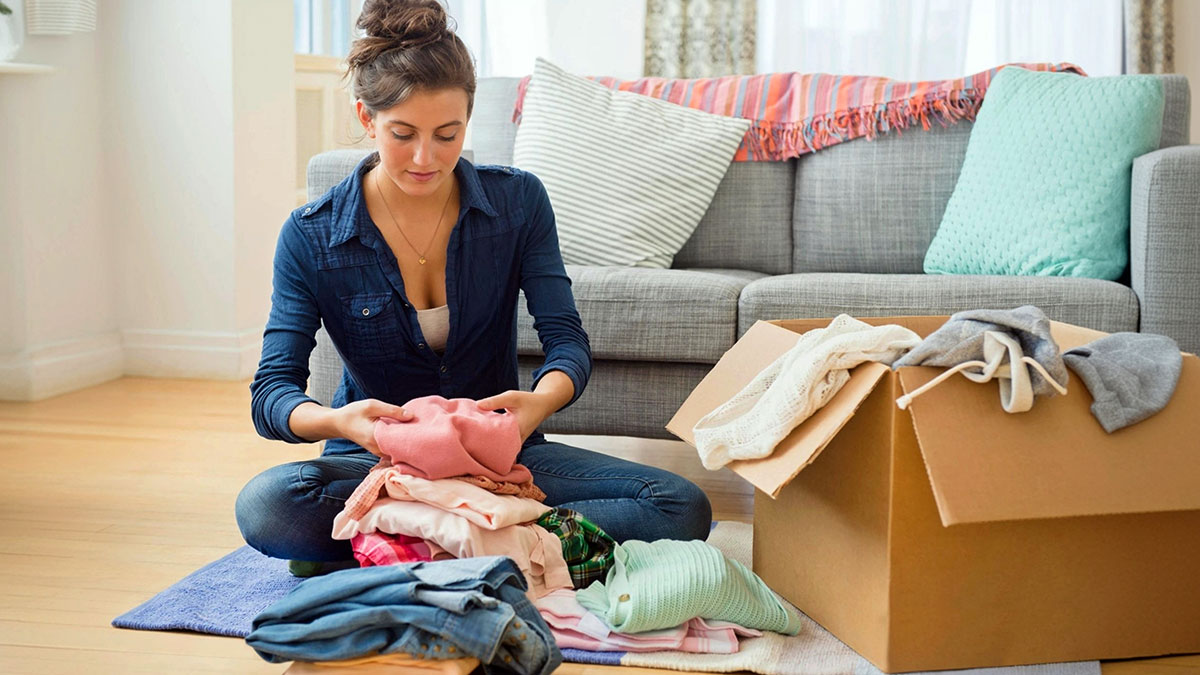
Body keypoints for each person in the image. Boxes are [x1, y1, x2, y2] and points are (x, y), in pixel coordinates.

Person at [235, 0, 712, 570]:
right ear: (367, 118)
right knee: (267, 506)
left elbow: (566, 341)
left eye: (447, 133)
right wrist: (342, 423)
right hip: (379, 463)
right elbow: (271, 395)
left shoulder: (517, 203)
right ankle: (496, 535)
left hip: (501, 461)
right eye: (402, 133)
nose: (424, 157)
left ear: (469, 118)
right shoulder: (311, 235)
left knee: (680, 506)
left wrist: (536, 406)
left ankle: (406, 537)